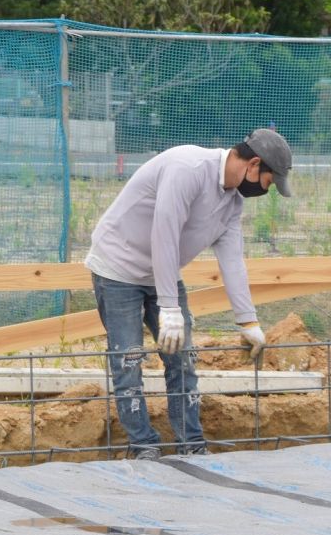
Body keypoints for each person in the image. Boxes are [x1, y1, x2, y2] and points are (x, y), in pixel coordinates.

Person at [86, 129, 293, 460]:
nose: (264, 190)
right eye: (269, 182)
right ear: (254, 164)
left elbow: (232, 260)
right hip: (118, 268)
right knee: (128, 359)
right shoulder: (188, 169)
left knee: (182, 359)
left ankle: (192, 445)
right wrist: (169, 308)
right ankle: (143, 447)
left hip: (162, 273)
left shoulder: (231, 202)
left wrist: (247, 319)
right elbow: (164, 234)